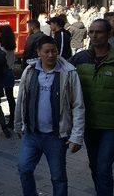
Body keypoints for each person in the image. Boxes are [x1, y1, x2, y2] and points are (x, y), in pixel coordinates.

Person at [69, 19, 114, 196]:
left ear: (109, 34)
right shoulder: (79, 59)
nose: (94, 35)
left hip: (111, 126)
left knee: (103, 167)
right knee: (94, 165)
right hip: (88, 125)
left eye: (99, 32)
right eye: (91, 31)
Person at [15, 36, 85, 196]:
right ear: (39, 52)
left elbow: (78, 105)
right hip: (32, 135)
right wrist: (18, 124)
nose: (51, 55)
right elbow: (22, 99)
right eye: (46, 51)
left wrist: (76, 137)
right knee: (24, 169)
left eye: (54, 51)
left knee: (58, 177)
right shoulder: (30, 71)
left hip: (56, 137)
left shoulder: (68, 72)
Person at [0, 24, 17, 129]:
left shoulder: (2, 48)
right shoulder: (11, 46)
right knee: (10, 97)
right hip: (10, 72)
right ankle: (12, 118)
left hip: (2, 73)